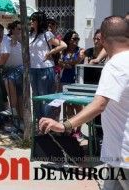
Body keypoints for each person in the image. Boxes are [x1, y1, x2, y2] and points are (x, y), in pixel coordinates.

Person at [39, 16, 129, 189]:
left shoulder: (115, 65)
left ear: (102, 39)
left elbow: (99, 104)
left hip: (123, 153)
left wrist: (65, 125)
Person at [29, 11, 66, 119]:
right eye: (31, 19)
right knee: (35, 97)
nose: (31, 22)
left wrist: (50, 53)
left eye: (33, 20)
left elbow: (63, 45)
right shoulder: (30, 34)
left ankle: (46, 125)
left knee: (45, 97)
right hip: (33, 69)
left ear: (39, 21)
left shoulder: (47, 34)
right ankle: (39, 123)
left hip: (45, 68)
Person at [58, 30, 85, 141]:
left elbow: (78, 60)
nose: (76, 41)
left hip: (77, 81)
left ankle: (79, 130)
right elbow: (58, 62)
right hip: (65, 80)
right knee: (68, 105)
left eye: (77, 39)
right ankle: (72, 129)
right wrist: (65, 63)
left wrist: (65, 63)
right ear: (68, 40)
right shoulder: (63, 51)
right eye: (74, 39)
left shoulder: (81, 50)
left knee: (78, 106)